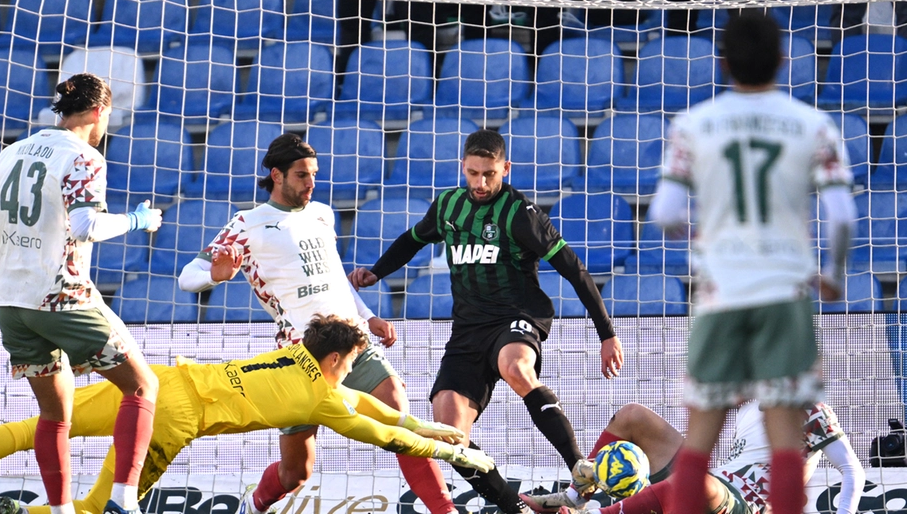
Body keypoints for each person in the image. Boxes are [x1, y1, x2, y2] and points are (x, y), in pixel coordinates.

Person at [0, 315, 496, 514]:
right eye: (351, 361)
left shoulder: (295, 360)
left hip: (161, 380)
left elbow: (379, 411)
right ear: (337, 358)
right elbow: (388, 436)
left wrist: (430, 426)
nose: (351, 371)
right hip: (175, 421)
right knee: (98, 506)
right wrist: (458, 450)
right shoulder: (321, 398)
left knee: (39, 424)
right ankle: (28, 512)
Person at [176, 133, 459, 514]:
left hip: (353, 341)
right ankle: (255, 503)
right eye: (301, 175)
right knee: (297, 473)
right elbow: (186, 278)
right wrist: (217, 274)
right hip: (302, 355)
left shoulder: (323, 214)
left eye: (313, 174)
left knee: (402, 424)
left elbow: (333, 277)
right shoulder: (247, 224)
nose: (310, 183)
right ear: (276, 176)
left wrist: (368, 316)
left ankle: (446, 510)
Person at [348, 129, 624, 514]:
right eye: (473, 173)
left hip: (518, 315)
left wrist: (607, 335)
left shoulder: (521, 214)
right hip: (468, 330)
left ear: (505, 169)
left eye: (489, 174)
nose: (480, 183)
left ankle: (578, 465)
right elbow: (413, 239)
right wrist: (377, 272)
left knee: (515, 366)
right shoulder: (447, 206)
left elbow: (574, 270)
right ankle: (518, 508)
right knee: (450, 434)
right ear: (463, 167)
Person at [646, 13, 856, 514]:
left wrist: (700, 236)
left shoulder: (695, 124)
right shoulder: (813, 124)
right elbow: (843, 215)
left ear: (722, 64)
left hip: (722, 293)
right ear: (784, 60)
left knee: (698, 443)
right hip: (783, 294)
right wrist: (833, 274)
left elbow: (663, 213)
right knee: (787, 439)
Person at [0, 73, 165, 514]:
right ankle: (124, 501)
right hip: (62, 297)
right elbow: (87, 226)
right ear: (98, 112)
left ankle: (60, 511)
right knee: (143, 387)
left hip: (14, 305)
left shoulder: (11, 153)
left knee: (55, 415)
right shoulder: (83, 157)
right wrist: (138, 220)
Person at [521, 400, 865, 514]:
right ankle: (573, 496)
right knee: (633, 416)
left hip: (746, 507)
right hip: (717, 488)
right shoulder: (748, 405)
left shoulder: (807, 407)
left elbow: (853, 471)